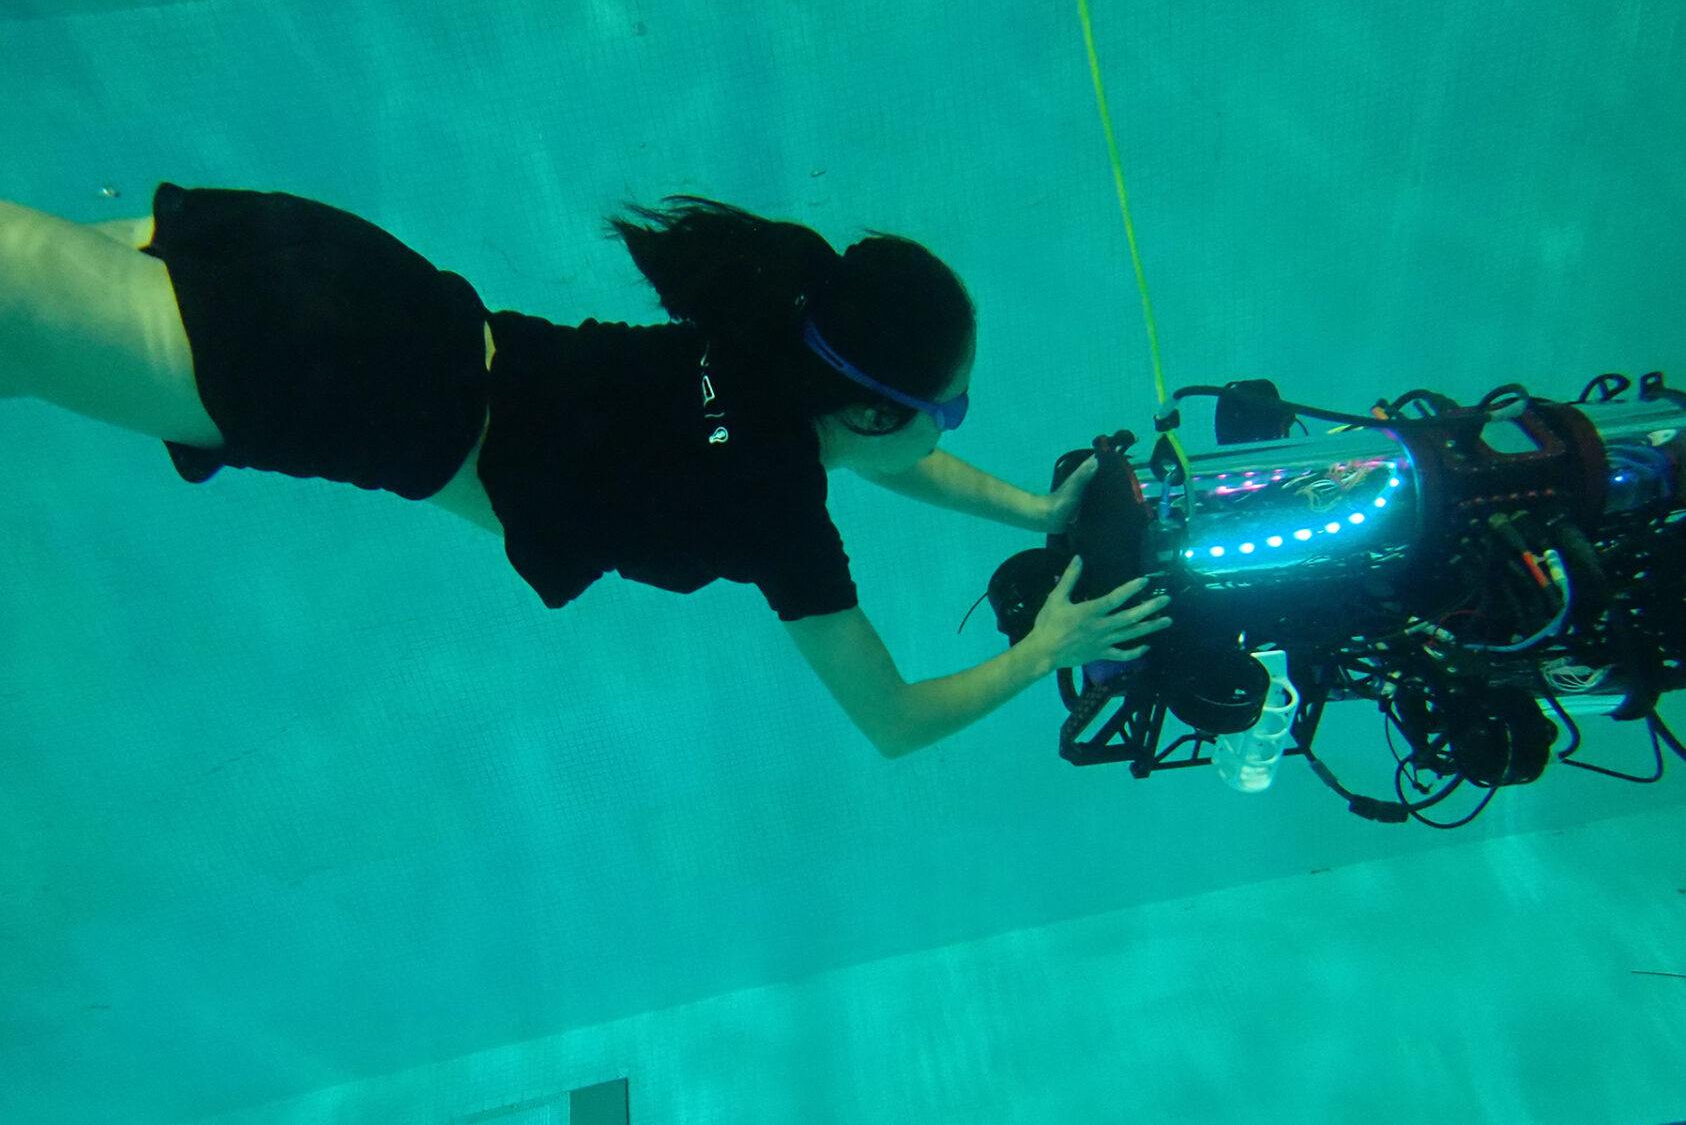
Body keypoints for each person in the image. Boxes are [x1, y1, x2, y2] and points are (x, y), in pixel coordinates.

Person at [0, 183, 1171, 758]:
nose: (946, 428)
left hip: (361, 287)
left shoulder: (777, 336)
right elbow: (894, 721)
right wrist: (1044, 651)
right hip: (337, 375)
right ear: (871, 405)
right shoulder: (780, 508)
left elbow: (880, 457)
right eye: (947, 408)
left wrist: (1031, 506)